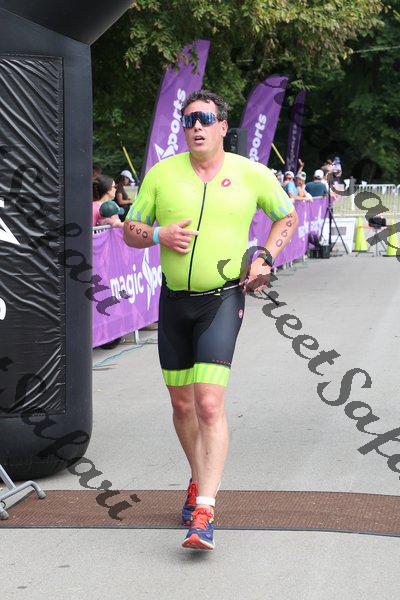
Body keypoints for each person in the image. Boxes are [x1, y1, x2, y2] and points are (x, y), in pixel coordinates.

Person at [123, 89, 298, 551]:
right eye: (188, 120)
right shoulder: (162, 174)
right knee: (182, 406)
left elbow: (286, 217)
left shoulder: (252, 173)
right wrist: (158, 233)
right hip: (173, 303)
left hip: (221, 300)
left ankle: (204, 510)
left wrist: (264, 256)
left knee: (208, 404)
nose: (196, 127)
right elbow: (129, 231)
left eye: (204, 119)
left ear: (222, 126)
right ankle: (198, 478)